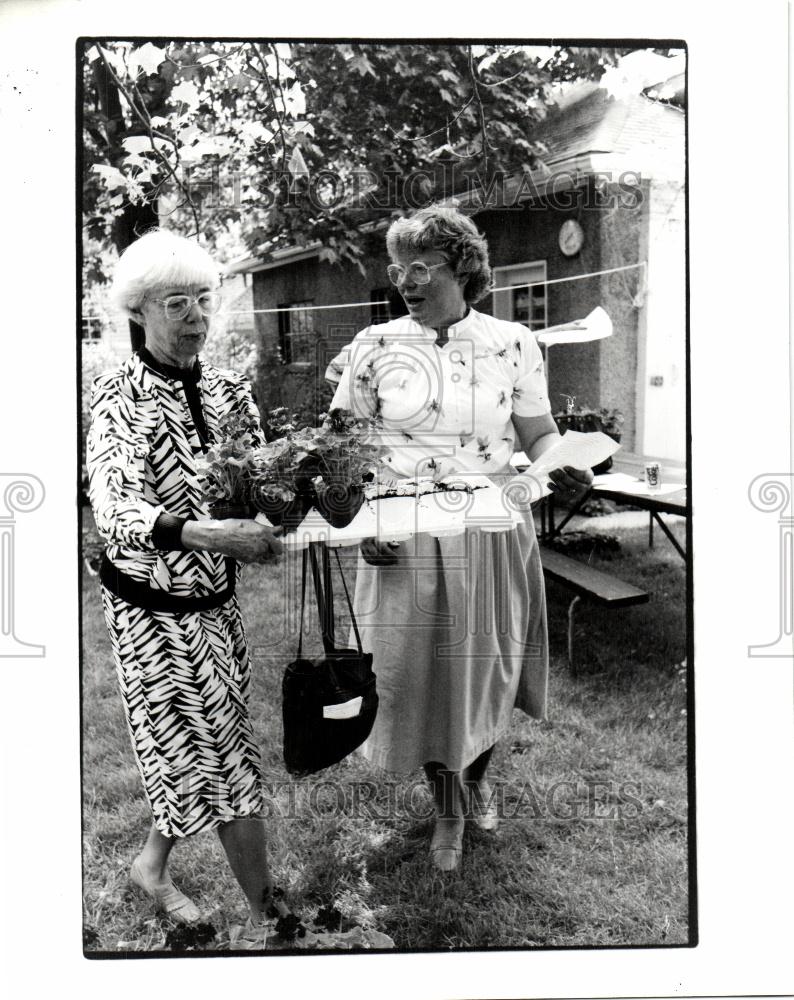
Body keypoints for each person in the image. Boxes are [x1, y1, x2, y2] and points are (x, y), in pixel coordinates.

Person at [326, 206, 593, 871]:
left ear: (463, 269)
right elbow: (339, 451)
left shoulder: (513, 343)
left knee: (483, 674)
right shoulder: (373, 347)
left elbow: (538, 433)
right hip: (406, 536)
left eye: (421, 267)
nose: (405, 281)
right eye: (398, 268)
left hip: (491, 531)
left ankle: (472, 790)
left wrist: (565, 463)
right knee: (414, 677)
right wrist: (362, 527)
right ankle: (447, 804)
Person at [87, 229, 285, 927]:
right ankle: (275, 915)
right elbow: (114, 508)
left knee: (202, 740)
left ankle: (150, 865)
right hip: (150, 612)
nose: (198, 315)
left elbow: (266, 480)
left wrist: (315, 493)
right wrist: (206, 533)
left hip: (215, 603)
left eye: (205, 298)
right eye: (178, 303)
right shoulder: (119, 398)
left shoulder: (231, 389)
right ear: (137, 310)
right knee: (222, 756)